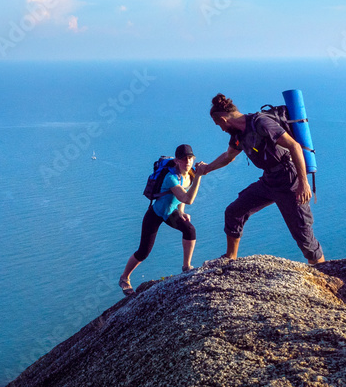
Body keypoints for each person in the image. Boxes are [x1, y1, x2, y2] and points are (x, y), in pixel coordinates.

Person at [197, 93, 325, 265]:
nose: (220, 128)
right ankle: (230, 257)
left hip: (289, 180)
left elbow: (294, 146)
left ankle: (324, 273)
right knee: (234, 211)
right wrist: (207, 169)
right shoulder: (238, 135)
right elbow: (228, 156)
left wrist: (303, 183)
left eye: (218, 123)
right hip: (269, 180)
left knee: (304, 236)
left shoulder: (261, 123)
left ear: (223, 118)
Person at [119, 144, 202, 296]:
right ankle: (124, 278)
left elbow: (182, 196)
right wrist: (200, 177)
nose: (188, 162)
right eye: (184, 159)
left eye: (190, 158)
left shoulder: (189, 174)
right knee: (143, 252)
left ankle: (186, 267)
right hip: (156, 214)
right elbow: (187, 198)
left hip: (170, 213)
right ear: (177, 161)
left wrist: (181, 211)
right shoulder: (170, 178)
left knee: (190, 230)